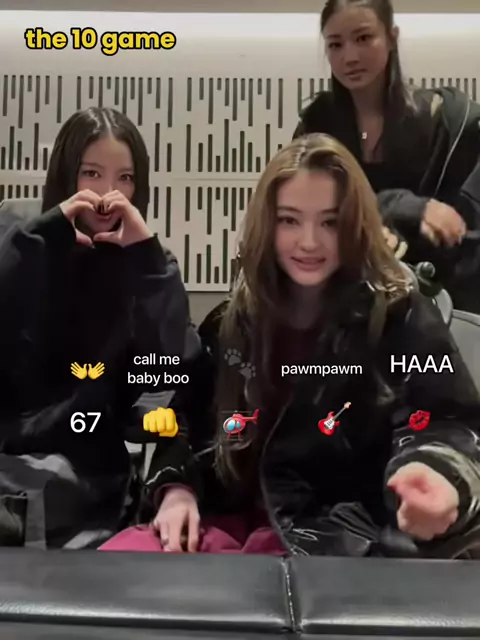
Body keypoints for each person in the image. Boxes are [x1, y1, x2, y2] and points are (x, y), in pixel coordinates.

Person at [100, 133, 480, 559]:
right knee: (115, 571)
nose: (309, 242)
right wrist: (176, 489)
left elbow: (445, 420)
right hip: (224, 523)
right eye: (289, 220)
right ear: (268, 223)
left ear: (354, 224)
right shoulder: (233, 321)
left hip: (341, 540)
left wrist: (434, 471)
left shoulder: (397, 315)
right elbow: (188, 419)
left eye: (330, 222)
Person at [0, 107, 190, 548]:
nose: (107, 194)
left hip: (83, 470)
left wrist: (147, 262)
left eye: (125, 178)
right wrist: (41, 240)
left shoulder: (149, 267)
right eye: (91, 174)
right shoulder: (21, 240)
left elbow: (170, 367)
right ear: (67, 175)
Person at [293, 0, 480, 313]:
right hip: (342, 302)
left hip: (437, 304)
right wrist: (397, 208)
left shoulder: (447, 121)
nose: (350, 57)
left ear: (392, 38)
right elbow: (299, 208)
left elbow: (462, 231)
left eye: (363, 38)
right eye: (335, 44)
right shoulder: (318, 125)